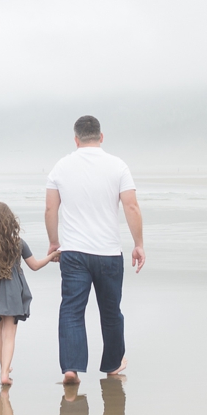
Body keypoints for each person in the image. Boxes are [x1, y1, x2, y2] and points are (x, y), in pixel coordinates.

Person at [45, 116, 144, 384]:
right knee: (111, 311)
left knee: (71, 310)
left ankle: (71, 368)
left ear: (76, 139)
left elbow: (51, 208)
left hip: (74, 252)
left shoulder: (60, 167)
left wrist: (54, 242)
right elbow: (131, 206)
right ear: (101, 137)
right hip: (109, 252)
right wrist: (138, 244)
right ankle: (112, 364)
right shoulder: (118, 165)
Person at [0, 201, 56, 385]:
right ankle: (5, 372)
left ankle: (3, 370)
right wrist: (52, 256)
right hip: (14, 291)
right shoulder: (19, 243)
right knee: (10, 334)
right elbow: (35, 266)